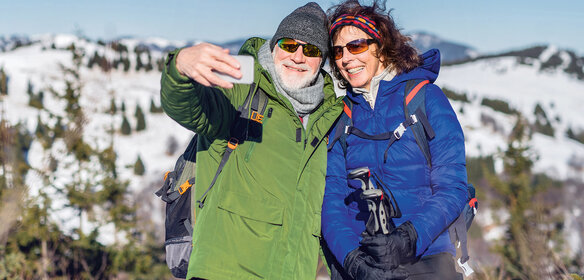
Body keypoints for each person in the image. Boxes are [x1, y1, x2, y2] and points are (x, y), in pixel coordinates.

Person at [160, 2, 344, 279]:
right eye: (288, 44)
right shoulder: (241, 93)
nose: (298, 56)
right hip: (222, 270)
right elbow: (189, 108)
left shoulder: (328, 117)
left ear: (322, 60)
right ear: (273, 47)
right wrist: (180, 67)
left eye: (311, 50)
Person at [321, 1, 469, 279]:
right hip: (362, 262)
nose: (346, 58)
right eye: (338, 51)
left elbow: (453, 189)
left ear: (381, 46)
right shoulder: (341, 118)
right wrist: (352, 260)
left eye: (357, 46)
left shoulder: (426, 100)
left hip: (426, 257)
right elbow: (331, 202)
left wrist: (408, 238)